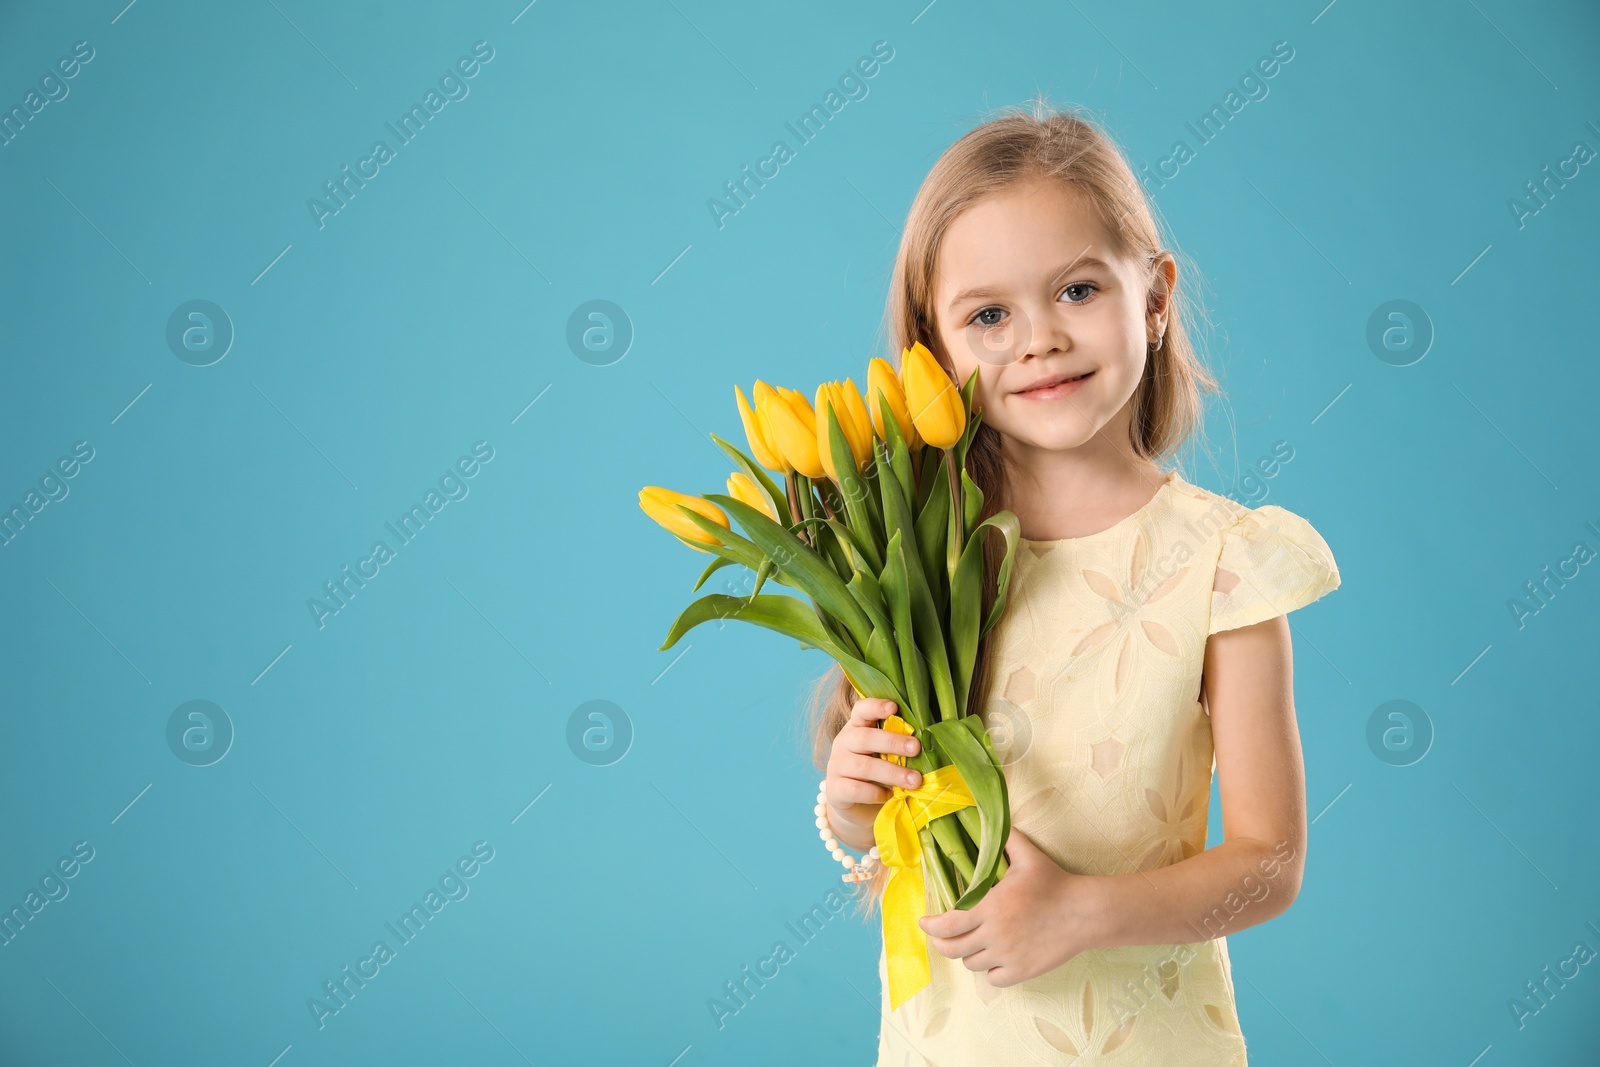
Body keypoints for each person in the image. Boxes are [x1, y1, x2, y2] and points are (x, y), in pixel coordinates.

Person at [808, 99, 1341, 1065]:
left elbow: (1269, 862)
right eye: (989, 314)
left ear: (1156, 296)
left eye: (1079, 291)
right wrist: (850, 802)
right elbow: (894, 821)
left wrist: (1081, 911)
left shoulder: (1222, 562)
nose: (1039, 338)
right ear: (934, 347)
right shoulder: (913, 558)